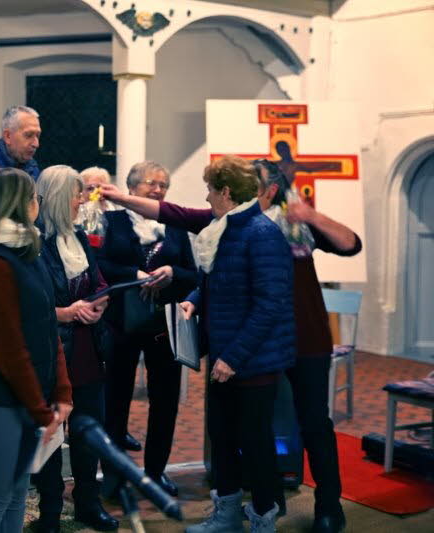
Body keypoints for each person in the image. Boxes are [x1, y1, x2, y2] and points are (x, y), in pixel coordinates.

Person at [103, 159, 359, 532]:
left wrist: (311, 215)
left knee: (311, 424)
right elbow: (177, 219)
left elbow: (350, 245)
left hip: (297, 339)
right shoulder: (226, 225)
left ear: (269, 190)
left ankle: (326, 507)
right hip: (250, 342)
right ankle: (255, 504)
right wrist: (120, 198)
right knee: (241, 429)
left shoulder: (284, 228)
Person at [0, 167, 71, 533]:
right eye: (33, 197)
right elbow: (6, 344)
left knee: (19, 493)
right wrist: (39, 408)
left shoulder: (27, 251)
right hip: (0, 398)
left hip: (29, 394)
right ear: (19, 203)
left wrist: (61, 390)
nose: (37, 203)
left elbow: (46, 327)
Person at [96, 161, 197, 497]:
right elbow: (99, 266)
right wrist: (134, 275)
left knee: (165, 400)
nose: (158, 190)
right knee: (116, 400)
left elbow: (192, 274)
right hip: (121, 323)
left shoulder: (176, 226)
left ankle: (156, 472)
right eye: (151, 184)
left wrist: (172, 272)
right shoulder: (111, 221)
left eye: (163, 185)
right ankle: (113, 476)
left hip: (164, 325)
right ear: (132, 187)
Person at [30, 165, 117, 533]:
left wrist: (101, 301)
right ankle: (50, 512)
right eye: (75, 195)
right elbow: (27, 306)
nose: (82, 201)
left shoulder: (78, 237)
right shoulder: (34, 243)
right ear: (55, 199)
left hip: (88, 350)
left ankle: (87, 503)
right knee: (52, 438)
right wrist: (64, 312)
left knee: (88, 435)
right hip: (56, 352)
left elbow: (97, 281)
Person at [0, 105, 42, 180]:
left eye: (38, 136)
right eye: (28, 135)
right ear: (8, 136)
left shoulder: (31, 165)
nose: (36, 144)